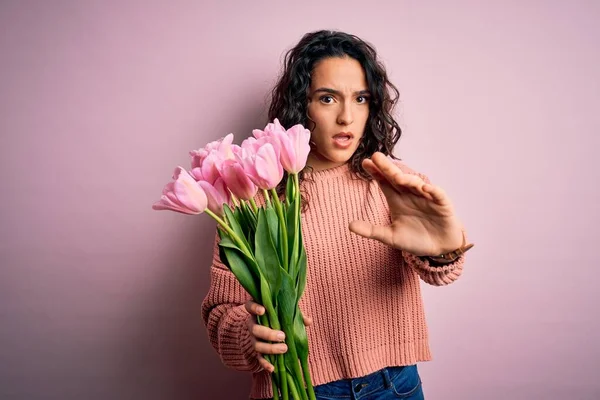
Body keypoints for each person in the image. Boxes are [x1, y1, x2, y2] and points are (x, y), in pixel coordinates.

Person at [201, 30, 473, 400]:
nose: (347, 117)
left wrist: (441, 251)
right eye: (327, 98)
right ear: (302, 104)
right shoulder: (255, 198)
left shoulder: (395, 183)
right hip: (295, 387)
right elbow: (221, 314)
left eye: (360, 98)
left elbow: (441, 270)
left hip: (395, 384)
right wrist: (249, 333)